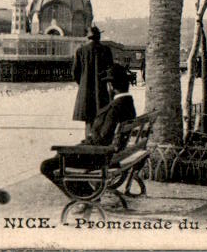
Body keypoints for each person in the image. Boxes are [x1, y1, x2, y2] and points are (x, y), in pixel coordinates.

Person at [40, 63, 136, 195]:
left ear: (111, 86)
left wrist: (81, 146)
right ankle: (86, 193)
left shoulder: (114, 108)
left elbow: (102, 138)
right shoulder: (128, 103)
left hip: (100, 157)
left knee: (46, 165)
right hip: (112, 155)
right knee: (61, 156)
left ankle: (85, 196)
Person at [72, 25, 114, 137]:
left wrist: (83, 84)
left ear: (88, 36)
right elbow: (111, 71)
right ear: (98, 36)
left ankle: (89, 139)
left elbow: (75, 73)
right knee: (101, 115)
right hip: (101, 89)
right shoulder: (106, 50)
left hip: (85, 90)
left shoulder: (80, 50)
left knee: (88, 118)